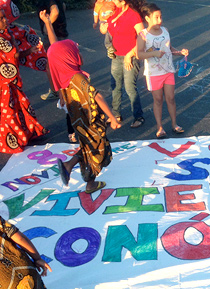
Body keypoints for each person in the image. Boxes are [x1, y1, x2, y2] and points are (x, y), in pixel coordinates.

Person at [48, 40, 123, 194]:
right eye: (76, 52)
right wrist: (112, 117)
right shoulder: (77, 78)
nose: (79, 54)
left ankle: (76, 172)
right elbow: (97, 96)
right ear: (69, 57)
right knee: (97, 149)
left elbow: (54, 49)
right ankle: (83, 177)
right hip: (90, 121)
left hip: (79, 122)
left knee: (88, 147)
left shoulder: (64, 78)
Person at [0, 1, 51, 154]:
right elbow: (15, 54)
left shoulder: (1, 33)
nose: (5, 20)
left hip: (6, 80)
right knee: (7, 112)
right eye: (1, 18)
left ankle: (27, 134)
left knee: (20, 105)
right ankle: (12, 143)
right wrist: (26, 48)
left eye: (5, 17)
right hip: (0, 83)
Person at [136, 3, 189, 139]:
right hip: (154, 73)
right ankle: (160, 127)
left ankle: (174, 124)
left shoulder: (165, 30)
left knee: (171, 98)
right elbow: (139, 54)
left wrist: (179, 52)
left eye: (160, 17)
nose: (160, 20)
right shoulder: (143, 35)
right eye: (156, 17)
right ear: (147, 18)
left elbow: (169, 49)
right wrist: (154, 54)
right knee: (158, 100)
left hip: (168, 70)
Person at [107, 0, 147, 129]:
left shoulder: (133, 15)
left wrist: (129, 55)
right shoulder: (116, 11)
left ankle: (138, 116)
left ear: (123, 1)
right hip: (117, 56)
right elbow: (108, 26)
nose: (112, 1)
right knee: (115, 86)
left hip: (130, 57)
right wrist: (103, 27)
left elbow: (143, 37)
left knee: (129, 87)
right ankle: (116, 114)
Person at [37, 0, 69, 101]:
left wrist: (47, 26)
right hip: (61, 33)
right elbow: (63, 6)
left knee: (50, 66)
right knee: (63, 64)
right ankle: (65, 90)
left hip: (53, 35)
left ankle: (57, 91)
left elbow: (55, 11)